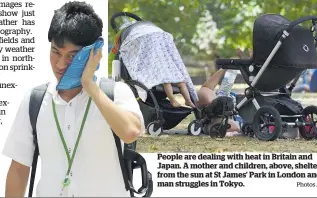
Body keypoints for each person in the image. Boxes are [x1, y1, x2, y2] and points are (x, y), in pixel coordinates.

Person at [2, 2, 144, 197]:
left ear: (94, 51)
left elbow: (130, 132)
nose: (60, 64)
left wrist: (89, 85)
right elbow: (19, 168)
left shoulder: (116, 92)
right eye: (55, 52)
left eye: (72, 55)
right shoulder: (34, 100)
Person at [117, 21, 197, 108]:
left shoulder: (163, 55)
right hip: (161, 75)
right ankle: (172, 100)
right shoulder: (149, 58)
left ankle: (188, 101)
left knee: (182, 82)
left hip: (170, 72)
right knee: (167, 82)